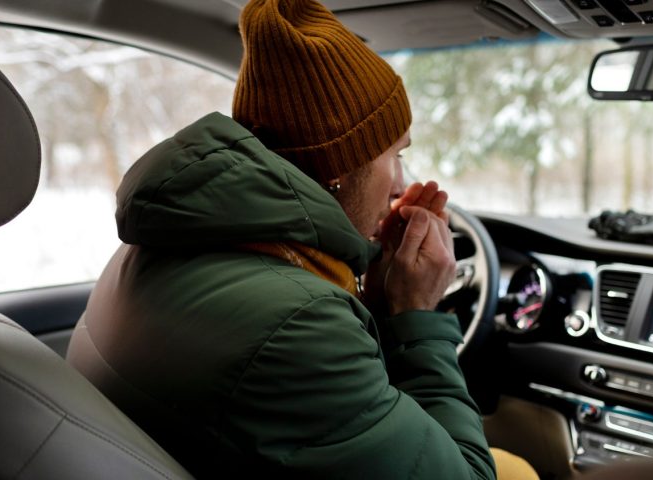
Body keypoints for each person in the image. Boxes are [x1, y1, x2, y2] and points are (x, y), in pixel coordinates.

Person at [67, 0, 537, 478]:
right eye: (394, 155)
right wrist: (416, 316)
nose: (401, 184)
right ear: (339, 166)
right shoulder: (298, 326)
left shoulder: (154, 243)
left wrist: (372, 298)